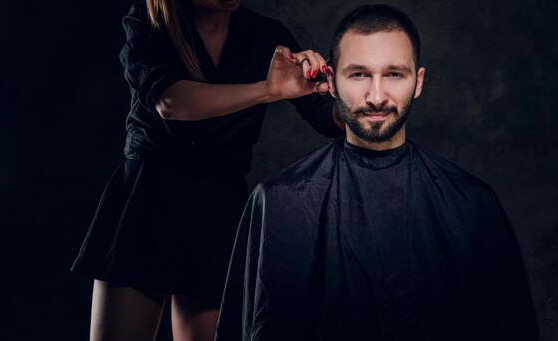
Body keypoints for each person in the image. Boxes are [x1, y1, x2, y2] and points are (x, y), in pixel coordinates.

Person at [216, 5, 539, 341]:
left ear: (418, 82)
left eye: (394, 75)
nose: (376, 96)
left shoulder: (473, 206)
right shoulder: (278, 203)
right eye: (358, 74)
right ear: (331, 81)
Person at [70, 0, 343, 340]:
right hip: (146, 201)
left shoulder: (267, 36)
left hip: (217, 210)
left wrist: (357, 86)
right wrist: (266, 91)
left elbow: (326, 115)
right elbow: (172, 102)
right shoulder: (148, 19)